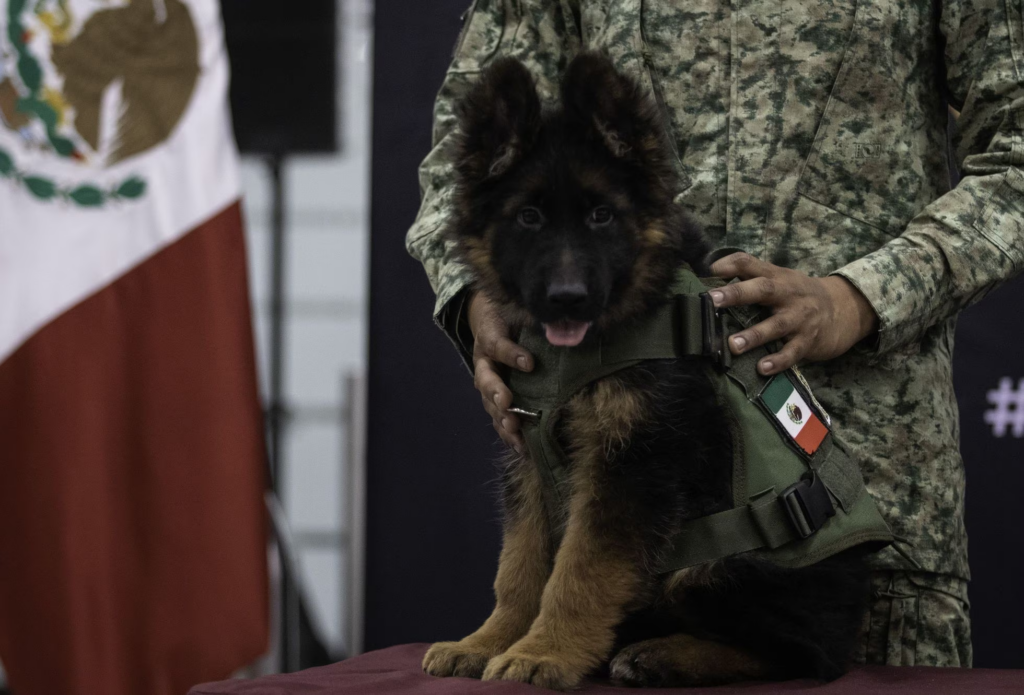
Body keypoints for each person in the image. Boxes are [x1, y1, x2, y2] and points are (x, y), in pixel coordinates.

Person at [407, 0, 1024, 667]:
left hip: (861, 520)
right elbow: (469, 155)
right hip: (591, 551)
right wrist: (477, 294)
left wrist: (861, 297)